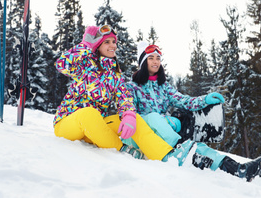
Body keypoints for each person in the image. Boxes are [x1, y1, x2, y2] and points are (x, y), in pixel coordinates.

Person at [124, 41, 261, 181]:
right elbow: (129, 113)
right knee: (156, 118)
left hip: (165, 136)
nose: (155, 61)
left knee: (197, 147)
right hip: (142, 138)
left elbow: (184, 101)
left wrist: (205, 100)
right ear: (143, 62)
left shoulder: (163, 87)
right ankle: (180, 146)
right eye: (151, 58)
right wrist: (163, 119)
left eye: (158, 58)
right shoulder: (132, 87)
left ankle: (238, 170)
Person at [53, 25, 174, 160]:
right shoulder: (86, 64)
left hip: (96, 128)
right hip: (68, 124)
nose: (113, 45)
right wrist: (85, 45)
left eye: (114, 42)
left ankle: (165, 155)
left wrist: (128, 114)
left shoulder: (115, 74)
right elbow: (61, 64)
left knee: (135, 117)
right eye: (107, 42)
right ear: (97, 45)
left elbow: (124, 97)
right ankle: (123, 149)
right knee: (88, 113)